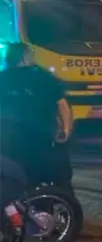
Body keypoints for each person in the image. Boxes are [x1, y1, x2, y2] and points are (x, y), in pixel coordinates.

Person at [0, 43, 74, 192]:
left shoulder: (3, 77)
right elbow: (63, 106)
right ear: (25, 57)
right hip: (43, 135)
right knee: (57, 178)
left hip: (12, 139)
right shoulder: (43, 76)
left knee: (18, 179)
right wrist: (66, 129)